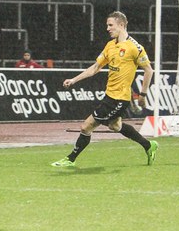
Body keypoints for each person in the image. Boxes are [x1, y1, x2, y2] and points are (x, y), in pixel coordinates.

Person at [51, 11, 158, 169]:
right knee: (115, 126)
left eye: (110, 25)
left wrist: (142, 94)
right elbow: (95, 67)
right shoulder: (110, 46)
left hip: (119, 98)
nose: (107, 28)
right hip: (110, 95)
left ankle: (70, 159)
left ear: (121, 25)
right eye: (107, 25)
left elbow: (149, 70)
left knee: (86, 126)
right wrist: (74, 80)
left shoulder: (135, 47)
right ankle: (149, 145)